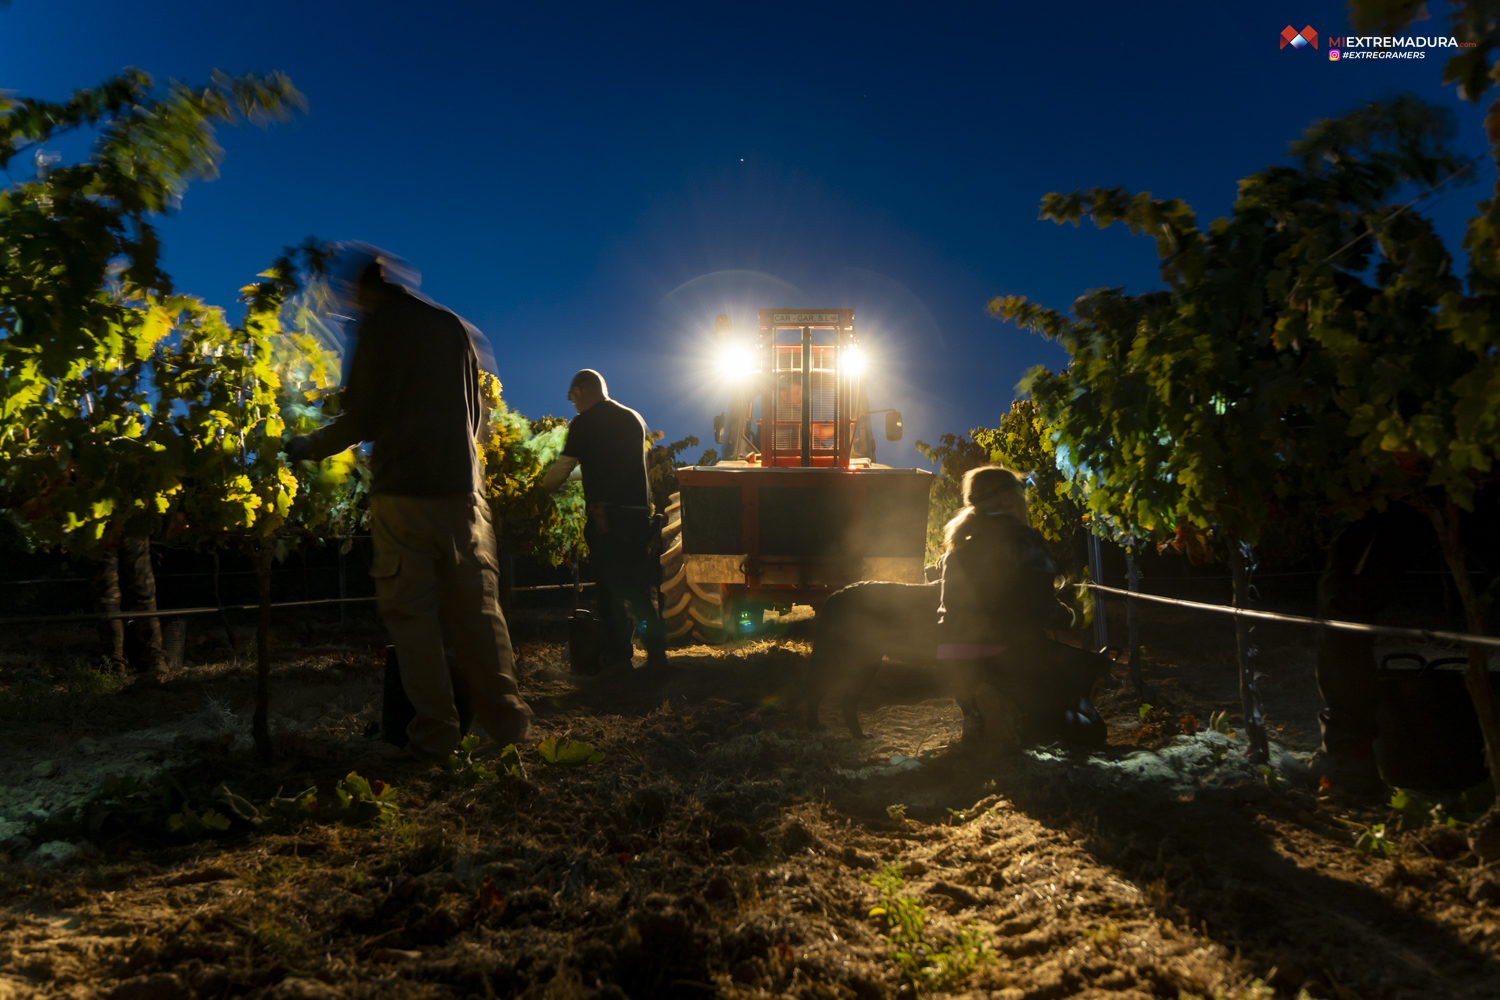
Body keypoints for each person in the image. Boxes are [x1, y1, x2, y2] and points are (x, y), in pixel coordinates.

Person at [285, 249, 532, 760]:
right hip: (463, 492)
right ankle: (509, 725)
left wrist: (306, 446)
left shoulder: (378, 327)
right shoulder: (452, 326)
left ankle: (436, 736)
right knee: (478, 611)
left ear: (362, 289)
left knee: (413, 617)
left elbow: (362, 418)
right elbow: (478, 416)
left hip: (404, 494)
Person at [937, 465, 1103, 745]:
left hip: (958, 661)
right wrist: (1077, 617)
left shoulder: (958, 548)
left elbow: (948, 612)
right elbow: (1043, 609)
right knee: (1091, 729)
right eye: (1020, 493)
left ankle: (977, 711)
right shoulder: (1024, 540)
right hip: (1009, 658)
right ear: (1005, 498)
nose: (1025, 500)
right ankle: (1021, 718)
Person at [542, 369, 668, 674]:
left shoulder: (584, 422)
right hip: (638, 517)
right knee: (638, 590)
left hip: (607, 519)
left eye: (572, 398)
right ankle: (657, 657)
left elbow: (563, 469)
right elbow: (605, 464)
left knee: (609, 592)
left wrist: (538, 488)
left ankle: (619, 658)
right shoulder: (632, 418)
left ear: (580, 391)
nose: (573, 404)